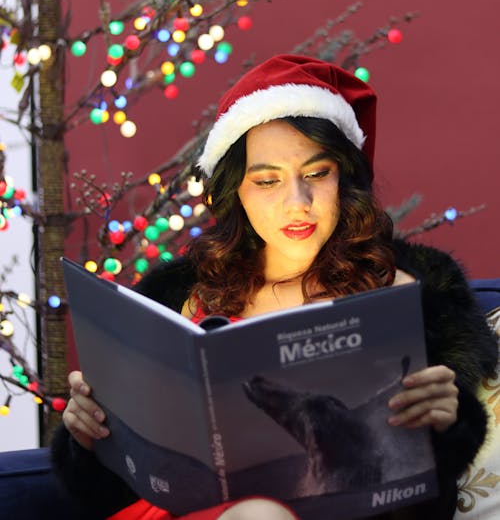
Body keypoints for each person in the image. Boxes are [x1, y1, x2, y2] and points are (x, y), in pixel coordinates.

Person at [52, 54, 498, 520]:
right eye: (267, 181)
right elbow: (111, 486)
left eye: (316, 174)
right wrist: (88, 438)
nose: (297, 203)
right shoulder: (180, 296)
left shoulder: (406, 293)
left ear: (344, 179)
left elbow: (422, 494)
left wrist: (448, 424)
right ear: (236, 192)